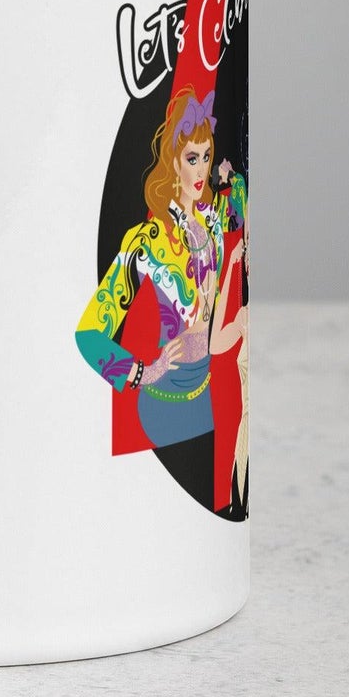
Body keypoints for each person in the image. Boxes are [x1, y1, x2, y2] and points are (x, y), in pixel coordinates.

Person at [75, 88, 247, 508]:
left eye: (206, 156)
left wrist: (233, 177)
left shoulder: (213, 219)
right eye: (192, 158)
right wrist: (142, 371)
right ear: (173, 162)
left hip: (214, 393)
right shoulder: (146, 242)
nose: (201, 169)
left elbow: (240, 211)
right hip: (167, 406)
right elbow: (88, 335)